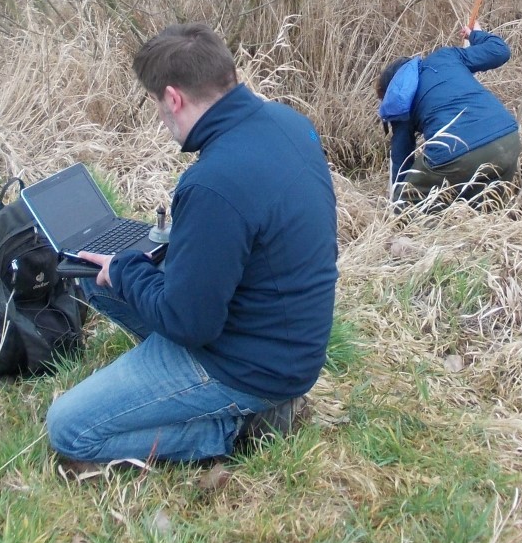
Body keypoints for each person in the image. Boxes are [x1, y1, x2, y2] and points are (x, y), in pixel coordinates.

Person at [46, 23, 339, 469]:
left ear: (174, 98)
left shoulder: (213, 183)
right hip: (290, 339)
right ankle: (169, 383)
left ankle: (232, 426)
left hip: (248, 365)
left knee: (69, 428)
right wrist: (126, 270)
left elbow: (191, 324)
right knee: (95, 279)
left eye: (157, 106)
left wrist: (127, 269)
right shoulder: (289, 124)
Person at [377, 26, 520, 202]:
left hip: (459, 150)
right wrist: (474, 35)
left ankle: (415, 228)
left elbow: (401, 160)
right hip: (507, 138)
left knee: (408, 201)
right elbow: (500, 51)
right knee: (484, 210)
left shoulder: (400, 99)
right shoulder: (446, 56)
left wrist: (397, 201)